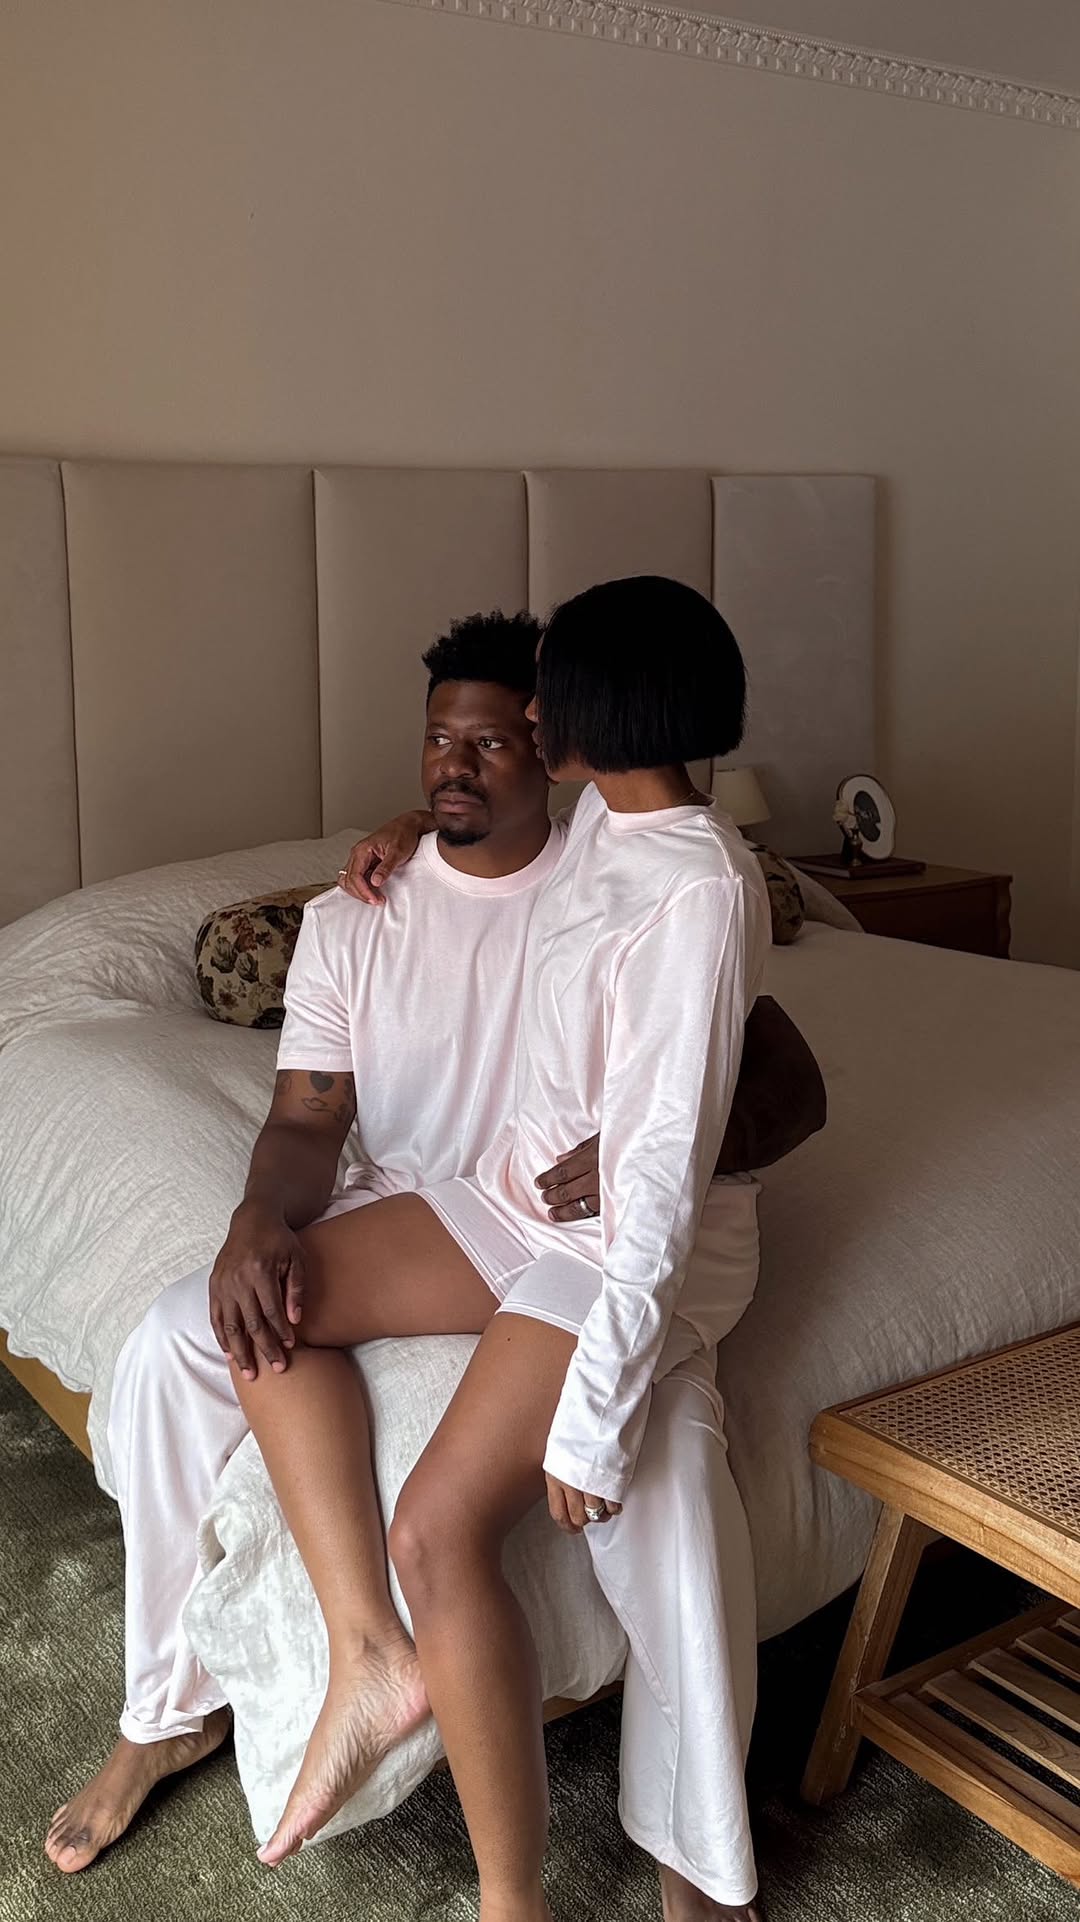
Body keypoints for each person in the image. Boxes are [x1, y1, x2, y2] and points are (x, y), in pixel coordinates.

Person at [46, 603, 819, 1922]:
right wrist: (422, 829)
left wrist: (598, 1408)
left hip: (622, 1247)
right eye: (444, 741)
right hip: (516, 1206)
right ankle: (334, 1660)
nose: (477, 750)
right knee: (260, 1306)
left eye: (516, 726)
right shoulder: (582, 832)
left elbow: (691, 1138)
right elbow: (502, 911)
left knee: (574, 1492)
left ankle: (620, 1882)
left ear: (584, 722)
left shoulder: (686, 877)